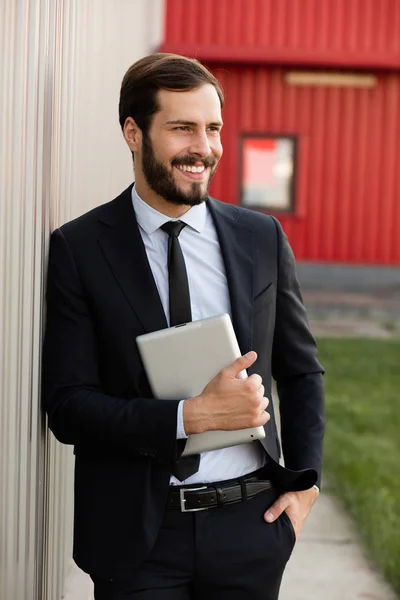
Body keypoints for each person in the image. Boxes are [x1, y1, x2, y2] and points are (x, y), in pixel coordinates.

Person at [42, 53, 325, 600]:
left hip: (253, 524)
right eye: (182, 128)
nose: (204, 147)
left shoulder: (260, 237)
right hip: (138, 539)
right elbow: (68, 406)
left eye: (213, 128)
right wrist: (188, 417)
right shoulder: (79, 249)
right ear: (133, 132)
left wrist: (306, 485)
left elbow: (302, 370)